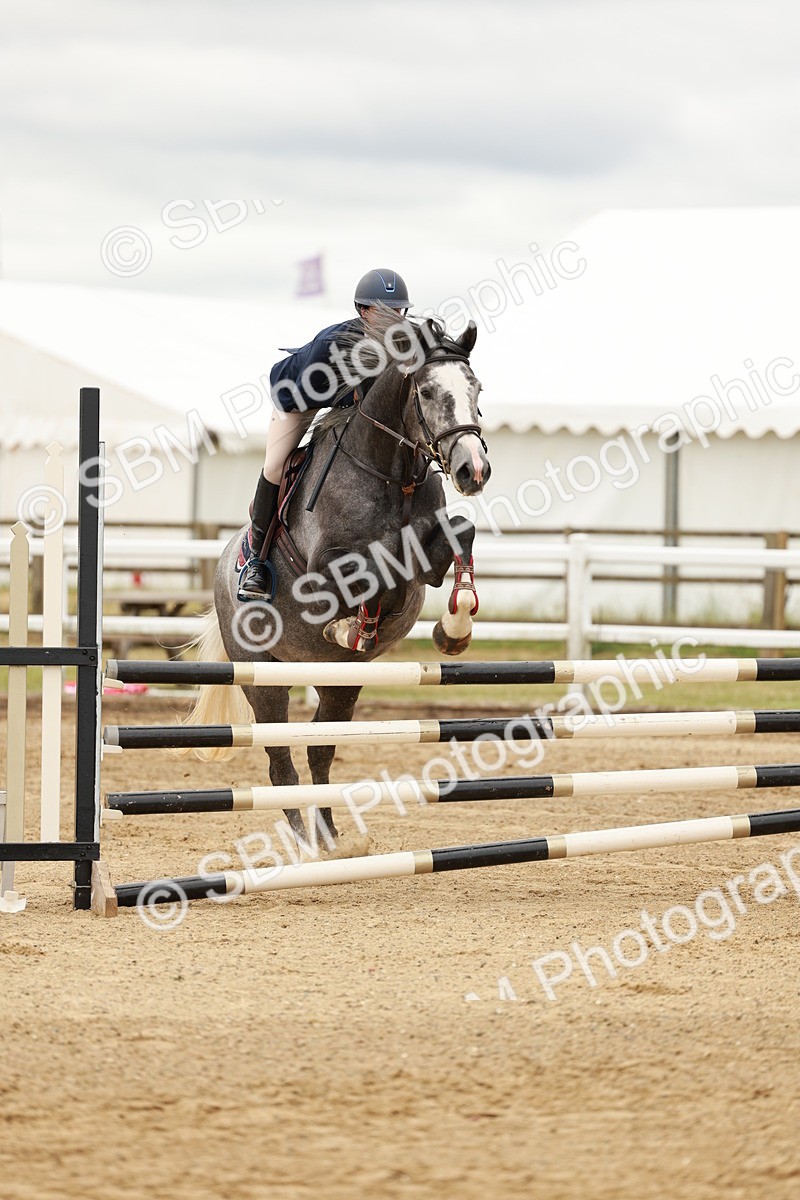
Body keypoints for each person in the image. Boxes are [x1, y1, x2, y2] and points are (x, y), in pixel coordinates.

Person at [237, 268, 413, 601]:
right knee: (276, 466)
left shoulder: (402, 340)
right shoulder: (333, 344)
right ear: (363, 310)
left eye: (400, 311)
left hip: (348, 404)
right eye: (385, 311)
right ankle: (256, 563)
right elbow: (316, 393)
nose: (395, 318)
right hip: (299, 398)